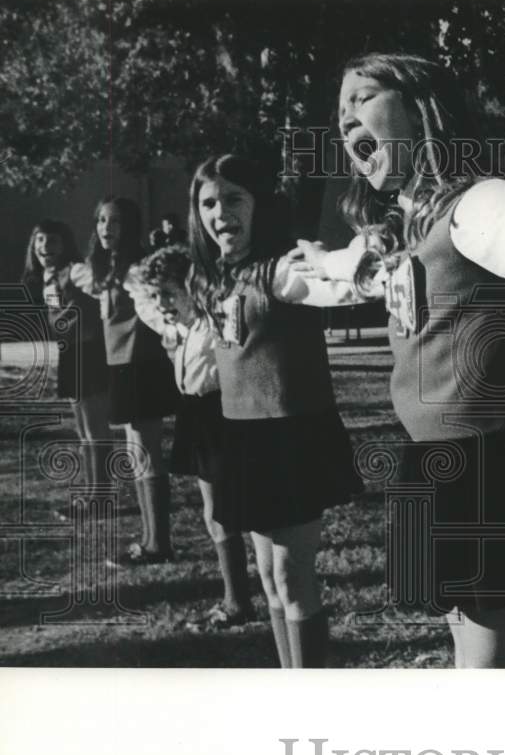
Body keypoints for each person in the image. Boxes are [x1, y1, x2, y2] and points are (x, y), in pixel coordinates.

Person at [296, 53, 505, 668]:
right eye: (340, 120)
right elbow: (349, 272)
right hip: (441, 460)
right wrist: (315, 264)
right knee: (466, 636)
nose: (345, 124)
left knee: (494, 662)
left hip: (501, 463)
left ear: (422, 108)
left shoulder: (478, 202)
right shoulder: (404, 229)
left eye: (361, 100)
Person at [188, 153, 363, 668]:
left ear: (261, 205)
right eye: (209, 202)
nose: (221, 212)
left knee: (291, 577)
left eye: (235, 199)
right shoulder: (217, 278)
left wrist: (357, 263)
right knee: (267, 579)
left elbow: (336, 283)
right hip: (242, 439)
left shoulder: (281, 272)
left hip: (290, 438)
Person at [127, 245, 253, 630]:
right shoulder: (180, 325)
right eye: (157, 294)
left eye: (168, 292)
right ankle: (237, 598)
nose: (161, 302)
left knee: (225, 513)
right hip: (195, 416)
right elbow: (143, 301)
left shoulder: (214, 325)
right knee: (212, 511)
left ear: (192, 287)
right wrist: (145, 287)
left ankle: (238, 601)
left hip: (220, 416)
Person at [68, 197, 179, 565]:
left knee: (147, 454)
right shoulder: (106, 268)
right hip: (121, 365)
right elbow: (80, 279)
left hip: (142, 365)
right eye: (100, 220)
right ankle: (150, 540)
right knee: (136, 454)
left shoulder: (138, 269)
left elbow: (162, 311)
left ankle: (158, 544)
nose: (105, 228)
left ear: (129, 227)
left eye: (114, 221)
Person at [21, 219, 111, 489]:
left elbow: (102, 291)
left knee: (95, 429)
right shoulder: (48, 278)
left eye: (53, 241)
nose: (46, 247)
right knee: (83, 430)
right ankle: (91, 489)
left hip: (90, 352)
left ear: (66, 245)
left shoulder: (75, 271)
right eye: (40, 241)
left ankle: (101, 492)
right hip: (70, 353)